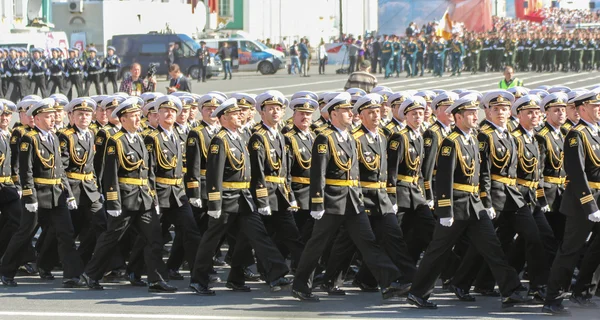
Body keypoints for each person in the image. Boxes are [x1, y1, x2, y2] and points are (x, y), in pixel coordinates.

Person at [406, 94, 531, 309]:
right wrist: (445, 211)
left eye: (476, 112)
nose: (475, 116)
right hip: (456, 206)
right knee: (438, 251)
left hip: (474, 205)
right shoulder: (450, 142)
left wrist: (485, 201)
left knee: (492, 248)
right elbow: (444, 179)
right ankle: (417, 292)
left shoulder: (473, 138)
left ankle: (512, 289)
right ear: (458, 117)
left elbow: (482, 175)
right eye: (470, 113)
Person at [291, 92, 410, 303]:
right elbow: (318, 172)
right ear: (334, 114)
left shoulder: (349, 137)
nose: (350, 113)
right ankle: (301, 286)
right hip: (332, 200)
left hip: (354, 200)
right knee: (317, 244)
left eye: (350, 110)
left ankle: (389, 281)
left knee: (368, 242)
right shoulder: (325, 137)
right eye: (345, 111)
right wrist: (317, 202)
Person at [189, 98, 290, 295]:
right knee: (211, 239)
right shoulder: (220, 140)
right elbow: (214, 174)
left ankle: (272, 274)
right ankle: (198, 279)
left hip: (244, 197)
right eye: (235, 114)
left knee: (256, 235)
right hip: (227, 198)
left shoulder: (242, 136)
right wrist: (215, 203)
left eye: (240, 113)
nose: (240, 116)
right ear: (224, 117)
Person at [82, 97, 177, 293]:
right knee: (111, 238)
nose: (137, 119)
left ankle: (156, 279)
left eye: (137, 115)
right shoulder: (115, 142)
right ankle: (91, 274)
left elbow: (148, 173)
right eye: (132, 116)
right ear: (122, 119)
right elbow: (110, 175)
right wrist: (113, 202)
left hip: (144, 198)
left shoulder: (141, 139)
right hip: (125, 199)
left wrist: (154, 198)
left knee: (154, 238)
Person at [1, 98, 84, 288]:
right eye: (47, 117)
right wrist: (29, 196)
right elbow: (25, 170)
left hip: (57, 193)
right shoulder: (29, 139)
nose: (52, 119)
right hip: (38, 193)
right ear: (37, 119)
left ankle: (72, 275)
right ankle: (6, 271)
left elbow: (59, 169)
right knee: (25, 233)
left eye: (53, 116)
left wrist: (68, 193)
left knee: (66, 233)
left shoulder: (54, 137)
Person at [543, 89, 600, 315]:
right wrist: (590, 204)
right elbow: (576, 173)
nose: (599, 109)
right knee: (570, 250)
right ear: (582, 109)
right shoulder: (577, 134)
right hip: (582, 201)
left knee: (597, 249)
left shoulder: (596, 132)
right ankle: (553, 299)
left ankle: (584, 291)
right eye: (595, 106)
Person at [58, 97, 106, 266]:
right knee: (71, 229)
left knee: (100, 224)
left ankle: (91, 263)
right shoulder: (66, 136)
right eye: (80, 114)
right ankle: (47, 262)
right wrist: (68, 194)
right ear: (72, 116)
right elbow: (61, 169)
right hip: (73, 188)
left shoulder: (91, 134)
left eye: (87, 114)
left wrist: (97, 187)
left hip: (89, 188)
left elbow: (91, 165)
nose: (84, 117)